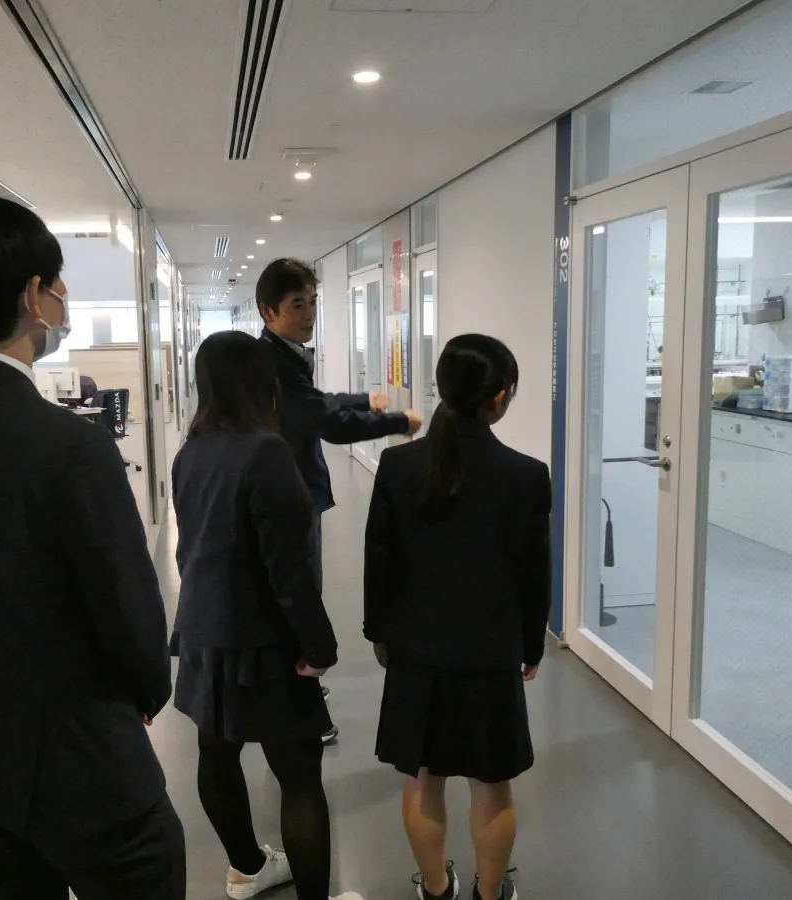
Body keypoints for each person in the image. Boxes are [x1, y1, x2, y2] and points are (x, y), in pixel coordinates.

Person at [0, 195, 183, 900]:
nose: (63, 295)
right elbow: (125, 599)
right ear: (32, 298)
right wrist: (148, 688)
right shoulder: (70, 444)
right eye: (57, 282)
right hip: (84, 750)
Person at [170, 330, 364, 900]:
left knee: (216, 753)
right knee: (299, 772)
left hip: (204, 632)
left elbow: (188, 551)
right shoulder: (266, 451)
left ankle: (248, 869)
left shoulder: (189, 453)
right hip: (262, 639)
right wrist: (319, 645)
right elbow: (287, 568)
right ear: (260, 380)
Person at [363, 335, 551, 900]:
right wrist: (531, 646)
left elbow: (379, 559)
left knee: (423, 779)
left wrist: (380, 634)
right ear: (499, 398)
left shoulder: (398, 465)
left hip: (417, 651)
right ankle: (489, 894)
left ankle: (435, 888)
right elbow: (534, 573)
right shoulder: (525, 475)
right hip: (489, 654)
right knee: (492, 786)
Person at [256, 258, 423, 744]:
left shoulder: (284, 353)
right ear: (268, 311)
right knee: (300, 593)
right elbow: (326, 423)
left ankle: (301, 684)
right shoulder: (277, 362)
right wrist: (398, 422)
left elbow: (318, 403)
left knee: (301, 590)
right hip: (292, 494)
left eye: (312, 302)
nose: (309, 313)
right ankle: (302, 706)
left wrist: (359, 399)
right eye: (297, 305)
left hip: (295, 487)